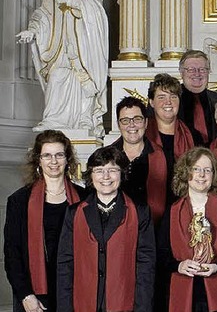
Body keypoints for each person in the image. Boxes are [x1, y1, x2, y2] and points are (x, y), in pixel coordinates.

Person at [16, 0, 108, 136]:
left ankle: (85, 119)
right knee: (57, 77)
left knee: (84, 83)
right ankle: (53, 119)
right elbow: (43, 14)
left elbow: (98, 13)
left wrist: (74, 1)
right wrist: (32, 30)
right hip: (58, 47)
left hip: (82, 47)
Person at [57, 146, 155, 311]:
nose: (106, 177)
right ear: (91, 175)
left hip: (124, 303)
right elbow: (65, 265)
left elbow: (146, 267)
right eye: (99, 170)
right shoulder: (74, 213)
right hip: (84, 304)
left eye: (112, 170)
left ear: (121, 174)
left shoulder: (140, 212)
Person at [157, 147, 217, 312]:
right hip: (182, 292)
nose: (202, 175)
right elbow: (161, 253)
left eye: (207, 170)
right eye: (196, 169)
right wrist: (179, 266)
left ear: (214, 175)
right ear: (186, 173)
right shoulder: (172, 210)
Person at [4, 130, 85, 312]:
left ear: (67, 158)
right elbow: (12, 254)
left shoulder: (85, 198)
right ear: (38, 160)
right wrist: (25, 295)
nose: (54, 161)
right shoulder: (19, 201)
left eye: (59, 155)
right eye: (47, 155)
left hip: (76, 291)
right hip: (34, 296)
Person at [108, 96, 168, 224]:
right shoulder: (106, 157)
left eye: (137, 119)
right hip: (113, 230)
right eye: (125, 120)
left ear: (146, 123)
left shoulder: (164, 156)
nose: (131, 125)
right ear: (118, 125)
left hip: (152, 230)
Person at [146, 73, 196, 205]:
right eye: (161, 97)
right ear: (151, 102)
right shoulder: (141, 135)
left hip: (185, 205)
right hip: (149, 209)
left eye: (173, 96)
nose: (168, 102)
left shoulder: (193, 136)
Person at [178, 50, 217, 146]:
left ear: (208, 72)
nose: (197, 74)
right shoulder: (169, 101)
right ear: (181, 73)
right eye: (191, 69)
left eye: (202, 69)